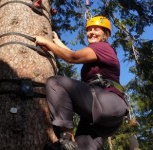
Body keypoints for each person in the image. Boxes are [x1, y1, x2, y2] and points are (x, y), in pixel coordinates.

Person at [35, 15, 128, 150]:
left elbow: (72, 57)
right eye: (89, 30)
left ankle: (66, 136)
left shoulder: (103, 47)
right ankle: (68, 144)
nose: (91, 33)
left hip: (106, 102)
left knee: (56, 83)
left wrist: (47, 43)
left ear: (105, 34)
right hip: (105, 117)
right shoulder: (97, 52)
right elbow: (72, 53)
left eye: (97, 30)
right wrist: (57, 42)